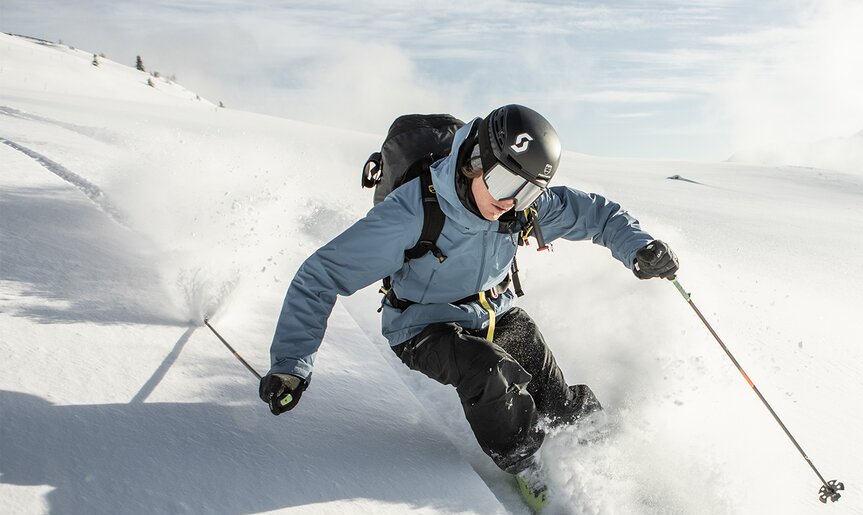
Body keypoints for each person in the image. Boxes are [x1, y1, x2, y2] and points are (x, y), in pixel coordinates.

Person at [259, 104, 679, 474]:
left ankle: (605, 455)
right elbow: (320, 275)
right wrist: (290, 366)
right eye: (502, 184)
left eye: (529, 190)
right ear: (476, 161)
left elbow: (597, 214)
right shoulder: (410, 214)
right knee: (491, 372)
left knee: (555, 398)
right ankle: (527, 465)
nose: (510, 202)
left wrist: (640, 247)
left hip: (496, 311)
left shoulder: (520, 206)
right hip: (424, 327)